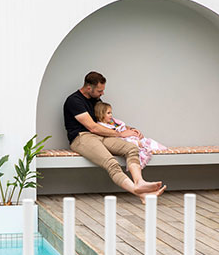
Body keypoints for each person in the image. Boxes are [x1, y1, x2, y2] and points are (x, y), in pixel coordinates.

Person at [63, 71, 166, 202]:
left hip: (101, 135)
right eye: (100, 91)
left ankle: (140, 182)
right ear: (89, 88)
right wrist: (120, 134)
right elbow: (92, 127)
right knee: (111, 163)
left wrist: (130, 129)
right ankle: (137, 192)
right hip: (82, 138)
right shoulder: (74, 101)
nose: (102, 94)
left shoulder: (96, 100)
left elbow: (106, 122)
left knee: (131, 148)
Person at [94, 101, 167, 169]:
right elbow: (113, 134)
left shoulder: (113, 122)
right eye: (108, 113)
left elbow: (123, 127)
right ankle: (139, 146)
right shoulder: (101, 125)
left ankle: (154, 146)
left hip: (124, 135)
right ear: (101, 114)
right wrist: (123, 134)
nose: (111, 115)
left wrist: (132, 131)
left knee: (144, 139)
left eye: (111, 113)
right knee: (130, 142)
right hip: (118, 139)